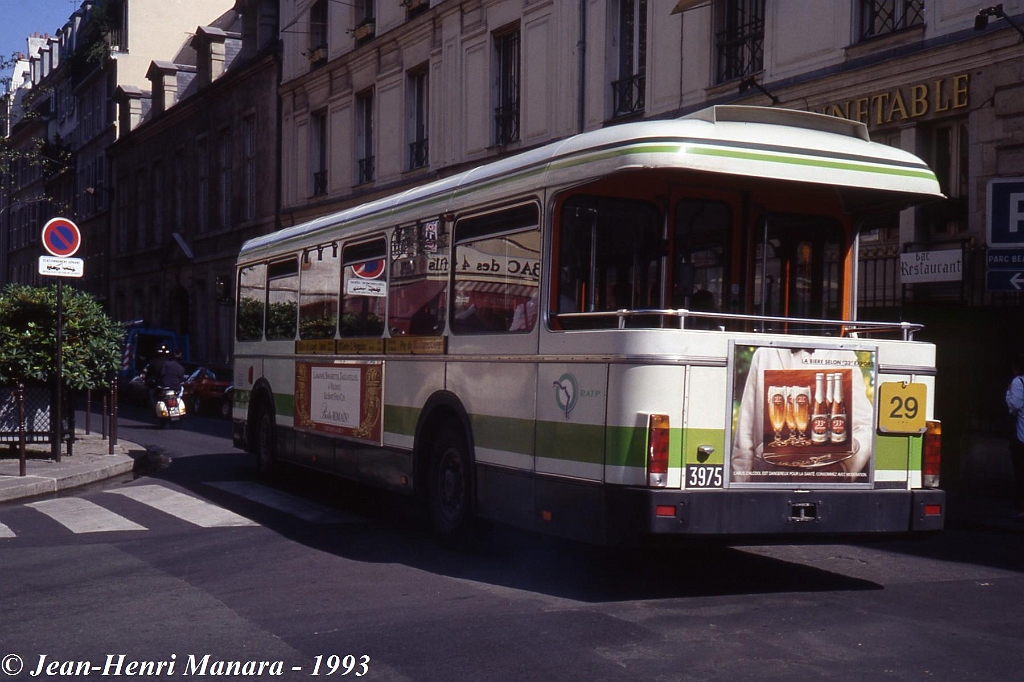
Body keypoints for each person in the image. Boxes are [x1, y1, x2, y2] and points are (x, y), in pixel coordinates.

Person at [1004, 355, 1024, 516]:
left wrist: (1008, 393)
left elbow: (1015, 404)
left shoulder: (1018, 382)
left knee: (1020, 471)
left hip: (1021, 433)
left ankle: (1020, 506)